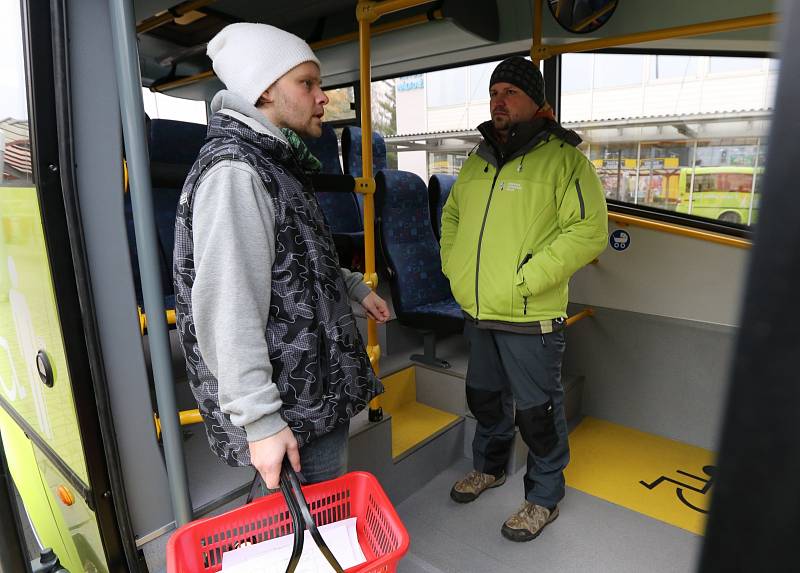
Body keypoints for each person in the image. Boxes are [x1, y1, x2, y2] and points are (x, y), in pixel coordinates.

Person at [173, 23, 389, 491]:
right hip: (290, 405)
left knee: (306, 520)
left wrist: (352, 288)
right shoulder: (236, 172)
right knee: (302, 528)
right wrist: (261, 421)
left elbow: (299, 259)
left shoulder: (274, 163)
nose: (322, 97)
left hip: (309, 389)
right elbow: (228, 308)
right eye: (307, 83)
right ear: (265, 90)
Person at [440, 56, 608, 542]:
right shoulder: (476, 161)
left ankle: (543, 498)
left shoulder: (565, 161)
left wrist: (527, 278)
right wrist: (454, 269)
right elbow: (451, 219)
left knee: (537, 412)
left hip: (530, 313)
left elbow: (589, 231)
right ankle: (489, 469)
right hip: (478, 310)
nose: (499, 99)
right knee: (485, 399)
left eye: (510, 91)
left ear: (539, 104)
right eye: (494, 91)